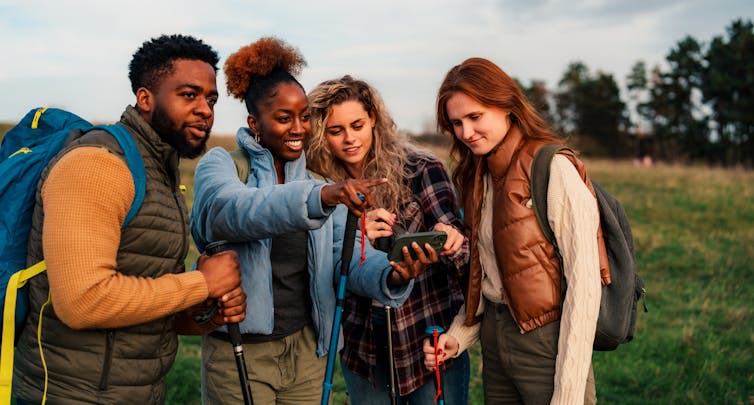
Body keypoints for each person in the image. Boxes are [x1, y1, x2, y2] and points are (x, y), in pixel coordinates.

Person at [190, 37, 431, 405]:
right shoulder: (223, 165)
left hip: (307, 354)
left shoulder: (317, 184)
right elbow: (229, 213)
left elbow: (344, 258)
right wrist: (321, 197)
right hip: (242, 352)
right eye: (284, 118)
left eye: (304, 117)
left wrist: (393, 273)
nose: (299, 129)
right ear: (255, 122)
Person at [12, 34, 246, 404]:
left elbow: (149, 311)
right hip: (68, 394)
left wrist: (205, 311)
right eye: (189, 95)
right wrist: (200, 283)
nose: (205, 109)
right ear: (145, 98)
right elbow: (83, 301)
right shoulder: (98, 165)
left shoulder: (159, 171)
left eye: (211, 99)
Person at [423, 57, 610, 404]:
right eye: (457, 123)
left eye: (475, 117)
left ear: (507, 105)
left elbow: (585, 288)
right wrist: (458, 336)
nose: (466, 132)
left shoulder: (553, 169)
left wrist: (568, 393)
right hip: (495, 342)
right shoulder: (478, 174)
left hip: (549, 343)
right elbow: (490, 275)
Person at [307, 75, 470, 404]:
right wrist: (351, 231)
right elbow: (317, 267)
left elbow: (465, 252)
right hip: (363, 348)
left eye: (357, 125)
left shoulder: (421, 168)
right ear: (321, 135)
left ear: (373, 119)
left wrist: (450, 240)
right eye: (336, 131)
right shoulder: (319, 189)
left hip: (426, 341)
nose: (349, 139)